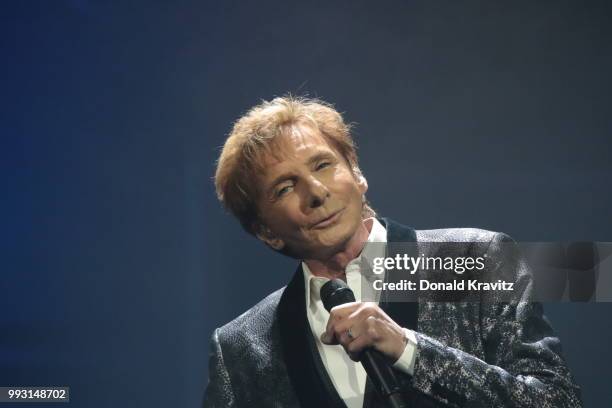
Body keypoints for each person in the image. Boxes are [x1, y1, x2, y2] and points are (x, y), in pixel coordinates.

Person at [204, 96, 582, 407]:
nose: (316, 193)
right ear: (266, 232)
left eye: (323, 165)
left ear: (357, 173)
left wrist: (410, 350)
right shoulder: (241, 346)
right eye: (285, 187)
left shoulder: (477, 258)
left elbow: (556, 401)